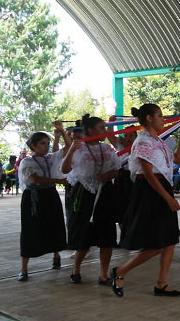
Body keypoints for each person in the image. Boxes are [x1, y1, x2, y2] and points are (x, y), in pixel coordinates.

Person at [110, 104, 180, 298]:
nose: (163, 119)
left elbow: (177, 159)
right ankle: (121, 271)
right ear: (150, 119)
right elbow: (148, 173)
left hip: (161, 188)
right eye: (160, 116)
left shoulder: (159, 141)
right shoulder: (143, 140)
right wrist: (168, 197)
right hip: (150, 191)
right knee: (156, 243)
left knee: (169, 240)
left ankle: (162, 284)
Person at [61, 114, 120, 285]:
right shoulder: (78, 148)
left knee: (107, 236)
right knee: (84, 236)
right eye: (102, 127)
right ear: (91, 130)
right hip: (85, 193)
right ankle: (76, 269)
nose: (104, 131)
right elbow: (64, 169)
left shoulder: (107, 149)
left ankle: (103, 274)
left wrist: (108, 175)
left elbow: (117, 169)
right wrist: (71, 149)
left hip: (106, 193)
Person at [17, 132, 68, 281]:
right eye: (42, 143)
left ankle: (56, 256)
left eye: (47, 143)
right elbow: (36, 179)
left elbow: (65, 149)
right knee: (30, 229)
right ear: (33, 146)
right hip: (34, 198)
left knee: (55, 225)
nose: (46, 147)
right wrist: (59, 180)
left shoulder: (49, 159)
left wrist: (61, 134)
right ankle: (24, 268)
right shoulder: (27, 162)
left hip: (50, 195)